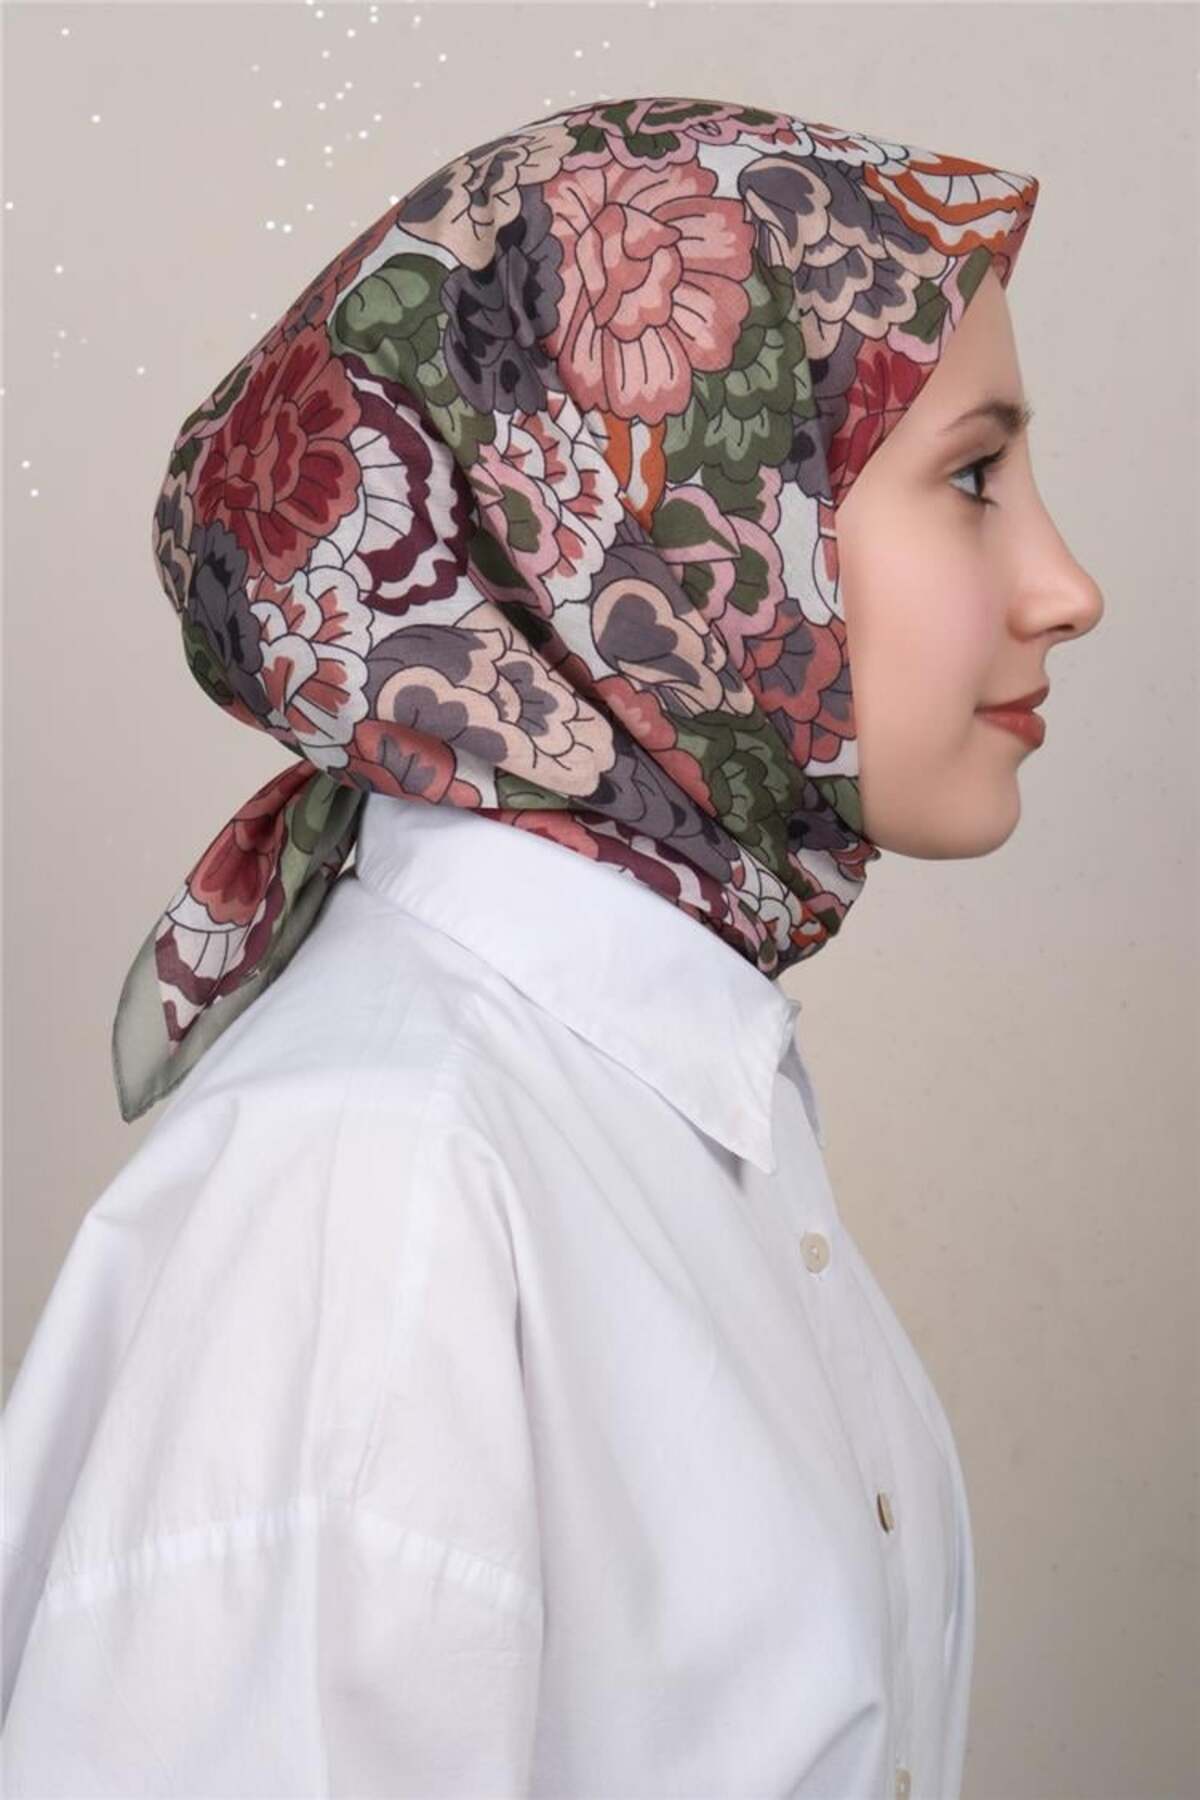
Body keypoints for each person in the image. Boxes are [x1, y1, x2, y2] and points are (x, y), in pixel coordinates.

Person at [1, 94, 1103, 1797]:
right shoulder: (381, 1189)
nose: (1066, 585)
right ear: (678, 523)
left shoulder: (651, 1099)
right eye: (970, 476)